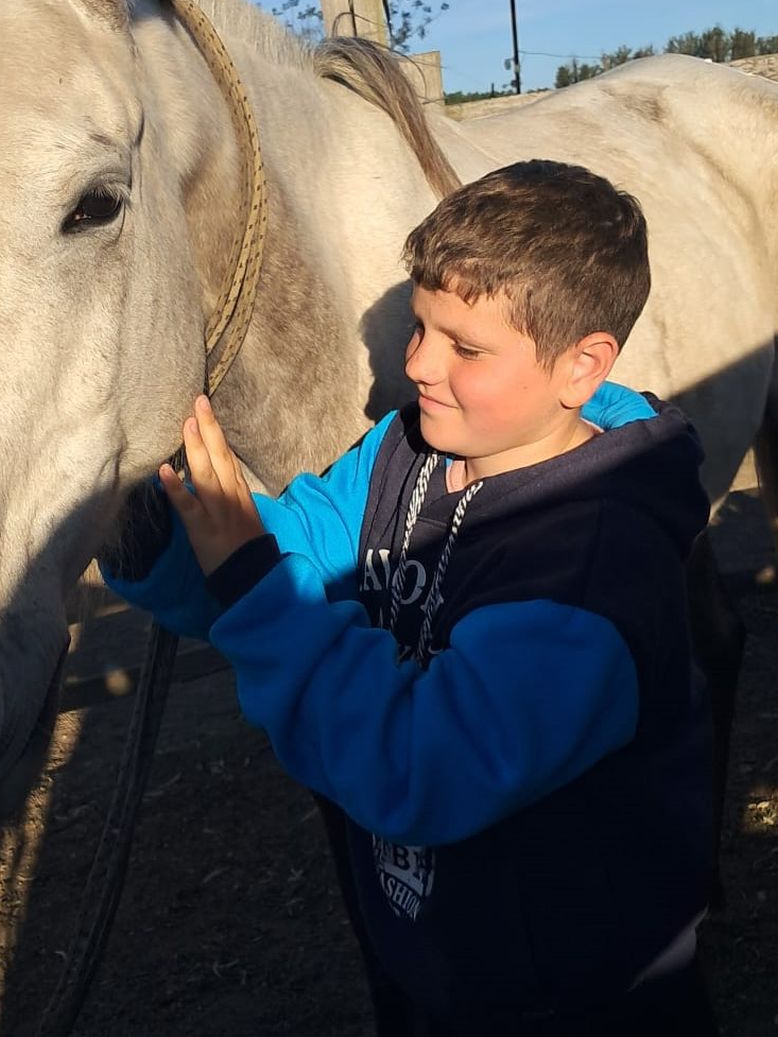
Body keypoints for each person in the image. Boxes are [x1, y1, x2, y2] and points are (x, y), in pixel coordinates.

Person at [102, 160, 717, 1036]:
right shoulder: (409, 450)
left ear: (582, 367)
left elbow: (426, 764)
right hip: (435, 954)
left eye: (466, 347)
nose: (418, 362)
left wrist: (248, 581)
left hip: (570, 995)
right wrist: (143, 522)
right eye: (421, 326)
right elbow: (297, 551)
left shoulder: (588, 573)